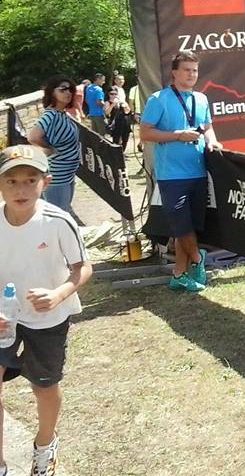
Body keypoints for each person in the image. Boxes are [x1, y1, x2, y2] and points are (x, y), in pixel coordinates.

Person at [0, 145, 92, 476]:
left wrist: (58, 294)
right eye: (11, 181)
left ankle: (45, 444)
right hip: (4, 318)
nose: (21, 189)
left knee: (44, 386)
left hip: (48, 319)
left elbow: (83, 268)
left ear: (46, 182)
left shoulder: (57, 221)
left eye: (30, 180)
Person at [139, 51, 222, 292]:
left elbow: (207, 127)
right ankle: (198, 258)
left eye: (195, 70)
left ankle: (179, 274)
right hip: (172, 175)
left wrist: (212, 141)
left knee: (189, 227)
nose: (191, 74)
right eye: (186, 70)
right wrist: (177, 135)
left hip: (198, 171)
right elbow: (145, 133)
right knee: (181, 226)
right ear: (174, 72)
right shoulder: (159, 99)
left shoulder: (201, 98)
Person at [28, 76, 82, 214]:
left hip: (67, 174)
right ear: (52, 92)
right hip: (58, 176)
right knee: (57, 215)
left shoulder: (61, 114)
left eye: (70, 90)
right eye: (62, 89)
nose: (68, 93)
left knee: (62, 212)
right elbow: (33, 137)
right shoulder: (51, 115)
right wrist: (49, 149)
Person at [104, 87, 133, 153]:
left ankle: (122, 153)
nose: (114, 95)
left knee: (125, 139)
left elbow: (128, 112)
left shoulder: (121, 101)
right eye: (111, 94)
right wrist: (113, 104)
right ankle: (115, 154)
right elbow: (106, 113)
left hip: (125, 123)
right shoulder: (107, 102)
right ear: (108, 94)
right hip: (116, 124)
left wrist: (125, 106)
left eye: (115, 94)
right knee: (116, 140)